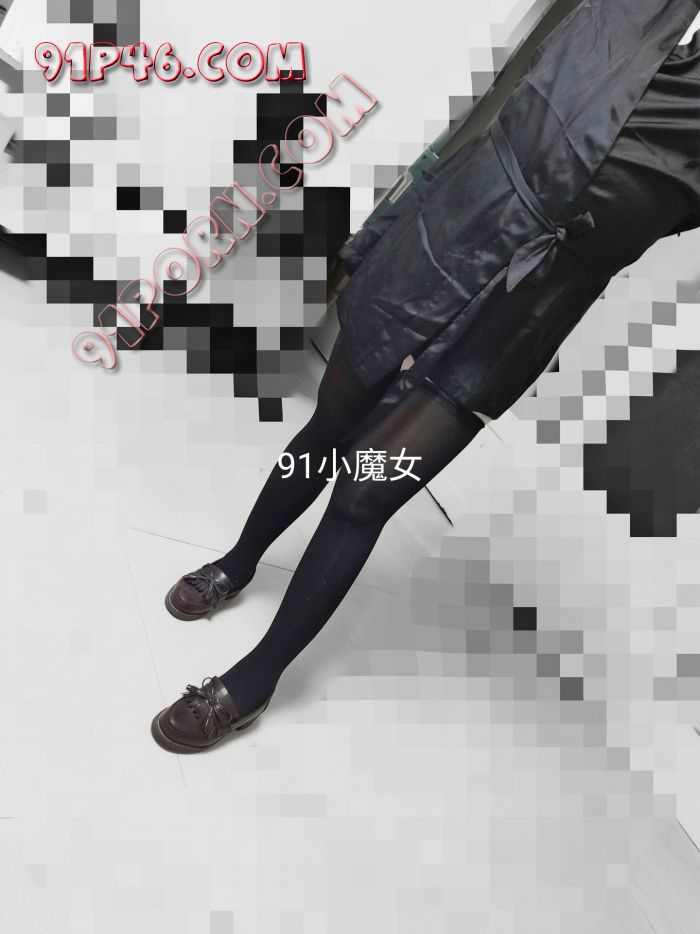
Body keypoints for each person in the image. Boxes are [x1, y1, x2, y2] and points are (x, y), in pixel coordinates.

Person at [150, 11, 700, 753]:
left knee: (367, 490)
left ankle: (256, 677)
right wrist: (381, 230)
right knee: (328, 427)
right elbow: (506, 123)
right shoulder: (621, 10)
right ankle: (239, 561)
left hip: (525, 305)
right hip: (451, 228)